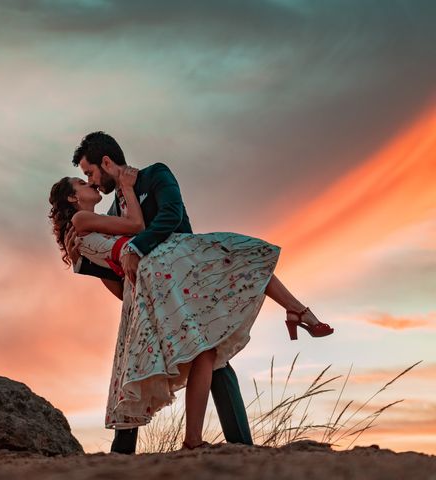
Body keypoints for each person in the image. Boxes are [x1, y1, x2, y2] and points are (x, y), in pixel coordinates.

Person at [48, 132, 333, 452]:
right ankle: (126, 453)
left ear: (106, 162)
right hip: (150, 292)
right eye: (85, 178)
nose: (92, 182)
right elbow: (117, 266)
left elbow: (172, 215)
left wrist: (137, 248)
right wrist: (84, 263)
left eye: (90, 173)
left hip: (185, 276)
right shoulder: (111, 213)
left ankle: (241, 446)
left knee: (214, 349)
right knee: (149, 368)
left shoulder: (155, 174)